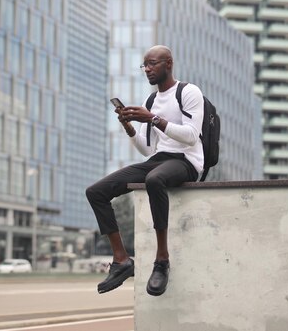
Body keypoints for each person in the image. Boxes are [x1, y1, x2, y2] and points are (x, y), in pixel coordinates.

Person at [86, 45, 204, 296]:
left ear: (168, 63)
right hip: (159, 159)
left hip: (186, 161)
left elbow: (191, 137)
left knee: (154, 179)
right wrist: (129, 127)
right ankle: (121, 261)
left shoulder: (189, 92)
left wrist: (152, 118)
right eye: (145, 65)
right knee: (96, 191)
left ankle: (161, 261)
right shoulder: (150, 100)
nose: (147, 69)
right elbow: (147, 149)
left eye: (152, 64)